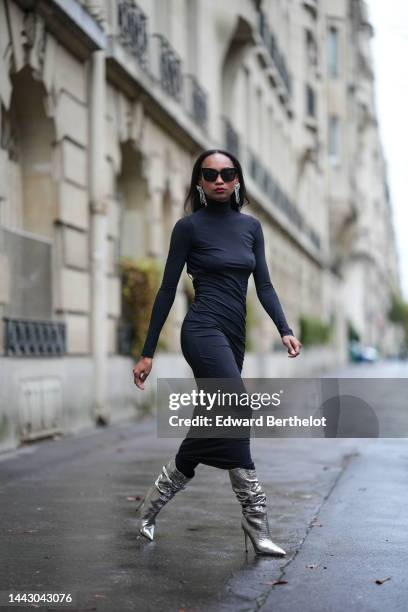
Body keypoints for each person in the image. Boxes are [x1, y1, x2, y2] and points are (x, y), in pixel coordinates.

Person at [132, 149, 302, 556]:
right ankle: (256, 521)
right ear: (200, 183)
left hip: (233, 334)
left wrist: (285, 329)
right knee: (236, 406)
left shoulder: (252, 228)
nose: (220, 180)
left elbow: (263, 285)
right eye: (210, 175)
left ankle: (148, 510)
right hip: (202, 329)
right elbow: (167, 289)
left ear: (238, 180)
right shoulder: (188, 228)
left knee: (216, 420)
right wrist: (148, 351)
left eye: (228, 173)